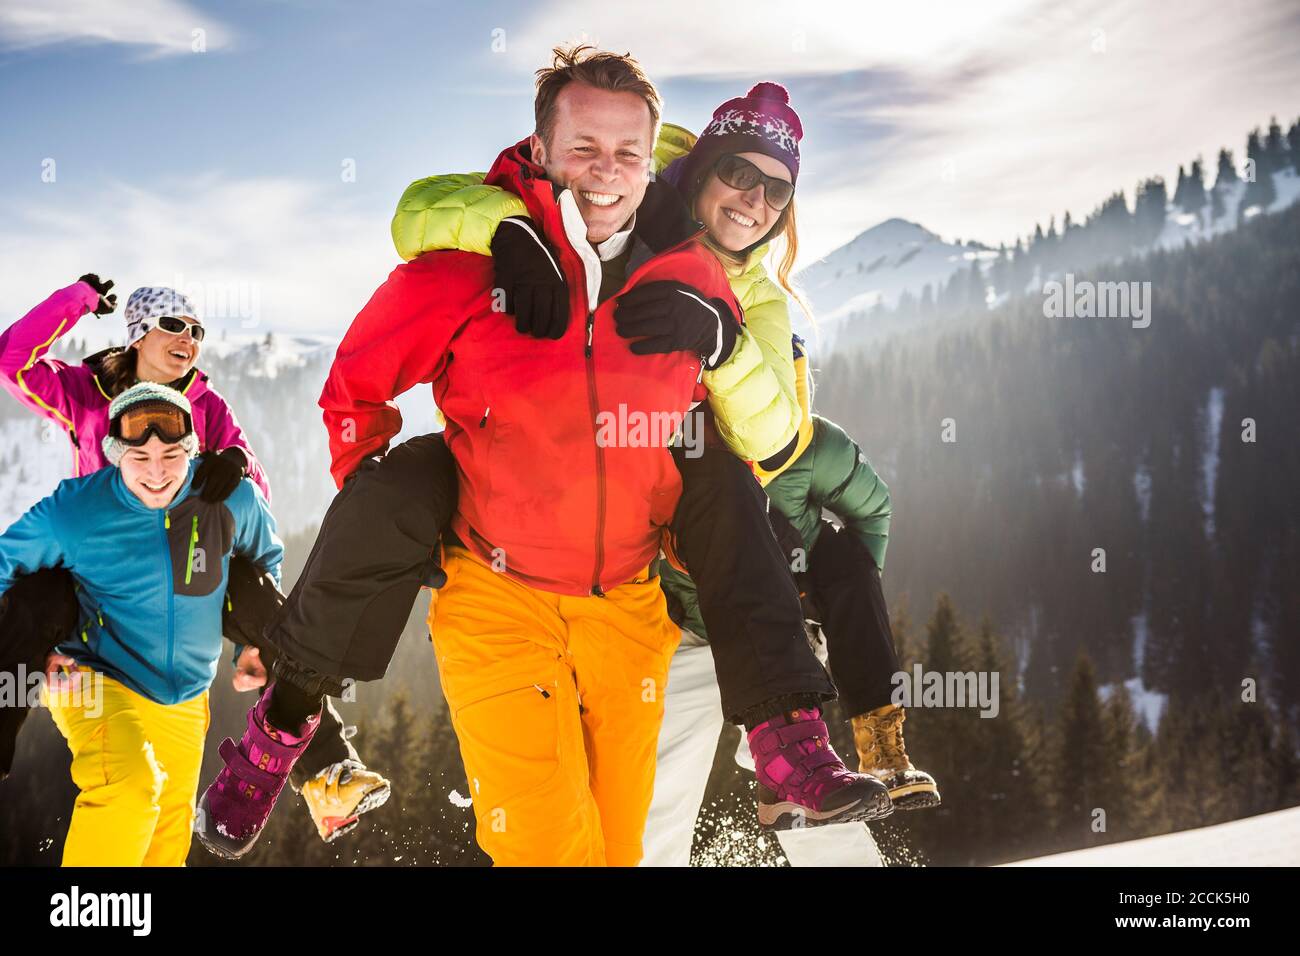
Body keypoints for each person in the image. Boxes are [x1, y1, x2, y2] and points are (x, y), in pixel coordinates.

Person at [199, 45, 882, 866]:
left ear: (650, 164)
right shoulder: (473, 262)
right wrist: (403, 529)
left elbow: (766, 445)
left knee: (617, 849)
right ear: (542, 151)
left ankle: (785, 726)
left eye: (627, 152)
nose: (607, 170)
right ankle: (282, 725)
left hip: (630, 614)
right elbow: (355, 389)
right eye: (584, 149)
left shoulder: (696, 278)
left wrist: (723, 339)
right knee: (549, 850)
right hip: (499, 605)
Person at [0, 279, 389, 842]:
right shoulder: (86, 391)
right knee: (33, 596)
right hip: (99, 571)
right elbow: (13, 359)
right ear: (139, 334)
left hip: (187, 574)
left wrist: (233, 462)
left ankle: (328, 773)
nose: (191, 338)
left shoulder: (205, 405)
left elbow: (253, 498)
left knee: (261, 601)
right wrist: (77, 300)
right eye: (176, 325)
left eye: (198, 330)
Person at [645, 335, 942, 867]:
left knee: (811, 776)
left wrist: (829, 590)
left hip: (780, 629)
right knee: (661, 787)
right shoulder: (676, 453)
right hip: (684, 637)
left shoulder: (814, 447)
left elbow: (872, 511)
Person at [0, 382, 281, 865]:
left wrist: (250, 649)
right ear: (114, 454)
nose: (156, 472)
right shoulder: (76, 509)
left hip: (188, 693)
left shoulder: (232, 499)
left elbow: (264, 561)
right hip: (93, 675)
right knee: (128, 788)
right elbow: (6, 565)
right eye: (139, 457)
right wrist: (31, 648)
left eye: (171, 454)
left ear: (191, 449)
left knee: (165, 843)